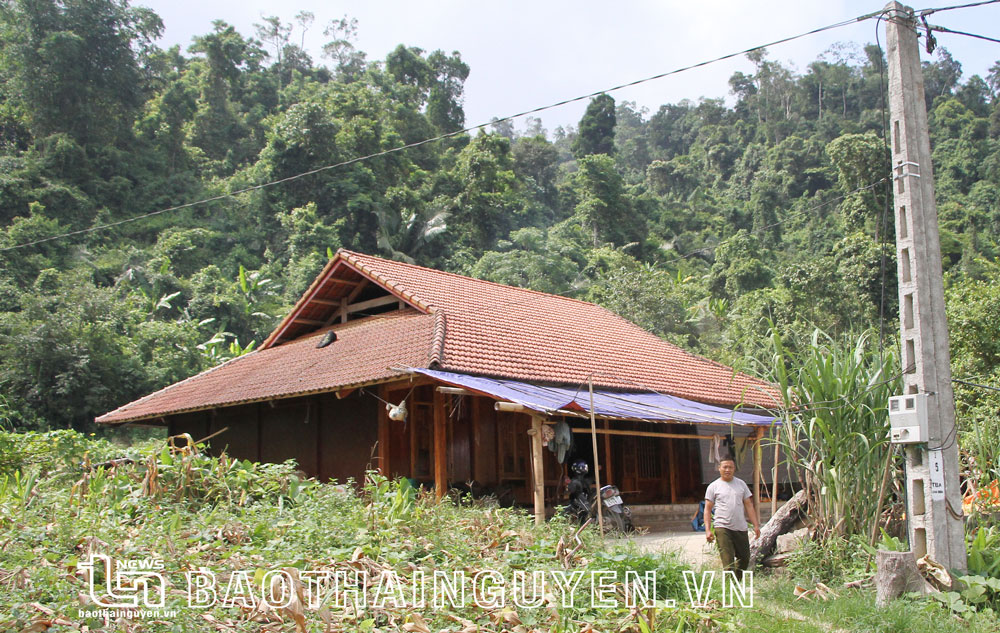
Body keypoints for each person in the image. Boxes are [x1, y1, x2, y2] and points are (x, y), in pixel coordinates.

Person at [704, 457, 760, 578]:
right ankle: (730, 589)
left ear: (734, 469)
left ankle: (737, 582)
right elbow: (707, 509)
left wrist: (756, 525)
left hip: (740, 527)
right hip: (722, 527)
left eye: (730, 467)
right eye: (725, 467)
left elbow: (749, 506)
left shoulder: (741, 484)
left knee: (744, 558)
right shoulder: (714, 486)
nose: (727, 470)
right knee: (728, 563)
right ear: (719, 468)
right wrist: (708, 530)